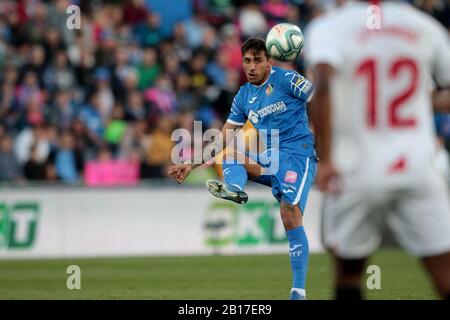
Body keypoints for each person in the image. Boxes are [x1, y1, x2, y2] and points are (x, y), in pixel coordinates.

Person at [304, 0, 450, 299]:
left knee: (348, 276)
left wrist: (327, 159)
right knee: (445, 276)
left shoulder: (329, 27)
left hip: (355, 169)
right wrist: (420, 104)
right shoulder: (424, 26)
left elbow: (323, 86)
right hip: (417, 167)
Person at [168, 38, 317, 300]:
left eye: (257, 60)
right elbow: (223, 137)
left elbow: (318, 96)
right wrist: (190, 164)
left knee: (289, 212)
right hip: (271, 158)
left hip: (298, 155)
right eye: (247, 61)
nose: (251, 66)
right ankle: (234, 189)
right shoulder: (244, 96)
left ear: (269, 61)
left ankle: (298, 292)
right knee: (229, 152)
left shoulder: (287, 80)